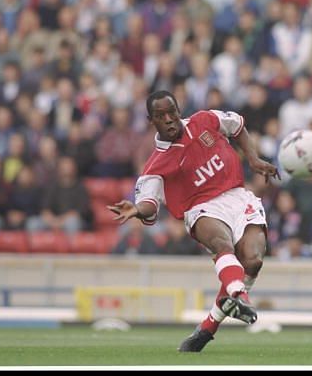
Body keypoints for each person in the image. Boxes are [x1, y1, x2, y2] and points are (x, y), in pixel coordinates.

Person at [108, 90, 280, 352]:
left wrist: (254, 159)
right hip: (201, 209)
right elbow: (150, 203)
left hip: (237, 195)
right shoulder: (155, 166)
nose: (168, 119)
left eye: (171, 112)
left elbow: (237, 126)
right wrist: (136, 209)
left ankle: (210, 325)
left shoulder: (205, 120)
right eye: (160, 115)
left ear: (179, 110)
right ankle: (238, 296)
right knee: (223, 244)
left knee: (253, 260)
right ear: (150, 120)